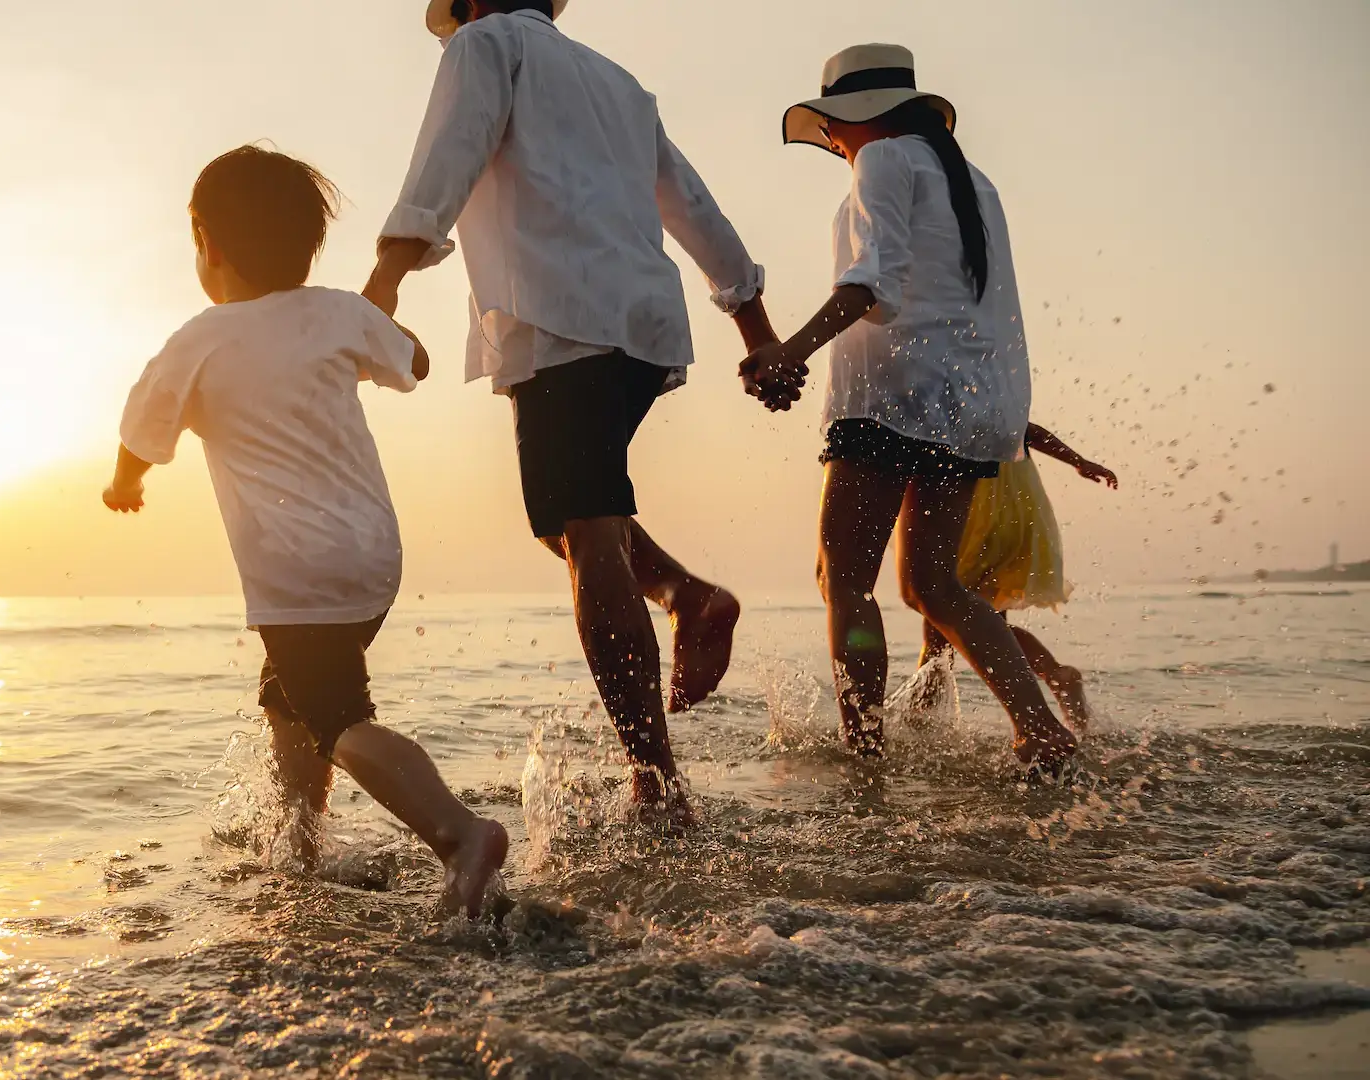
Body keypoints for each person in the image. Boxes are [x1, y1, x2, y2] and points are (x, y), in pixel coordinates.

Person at [363, 0, 779, 825]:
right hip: (642, 327)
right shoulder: (619, 83)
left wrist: (384, 279)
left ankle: (657, 786)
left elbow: (447, 156)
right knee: (571, 514)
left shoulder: (485, 44)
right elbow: (693, 206)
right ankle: (689, 596)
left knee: (584, 531)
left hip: (562, 318)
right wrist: (752, 328)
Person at [105, 146, 507, 916]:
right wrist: (372, 331)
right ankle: (301, 844)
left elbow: (139, 433)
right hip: (372, 560)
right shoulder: (338, 312)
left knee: (337, 720)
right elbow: (412, 363)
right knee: (288, 696)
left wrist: (122, 486)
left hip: (297, 572)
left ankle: (458, 833)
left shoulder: (198, 341)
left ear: (206, 243)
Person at [742, 44, 1078, 775]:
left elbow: (874, 286)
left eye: (833, 125)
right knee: (932, 584)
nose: (832, 141)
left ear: (859, 118)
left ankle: (863, 751)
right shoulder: (973, 180)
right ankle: (1039, 730)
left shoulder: (885, 161)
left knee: (845, 579)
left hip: (892, 400)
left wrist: (788, 351)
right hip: (967, 408)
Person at [911, 423, 1119, 733]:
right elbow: (1032, 431)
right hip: (1016, 513)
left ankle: (920, 717)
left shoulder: (950, 401)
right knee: (982, 620)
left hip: (974, 516)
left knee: (942, 614)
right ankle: (1055, 675)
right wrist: (1078, 461)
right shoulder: (998, 400)